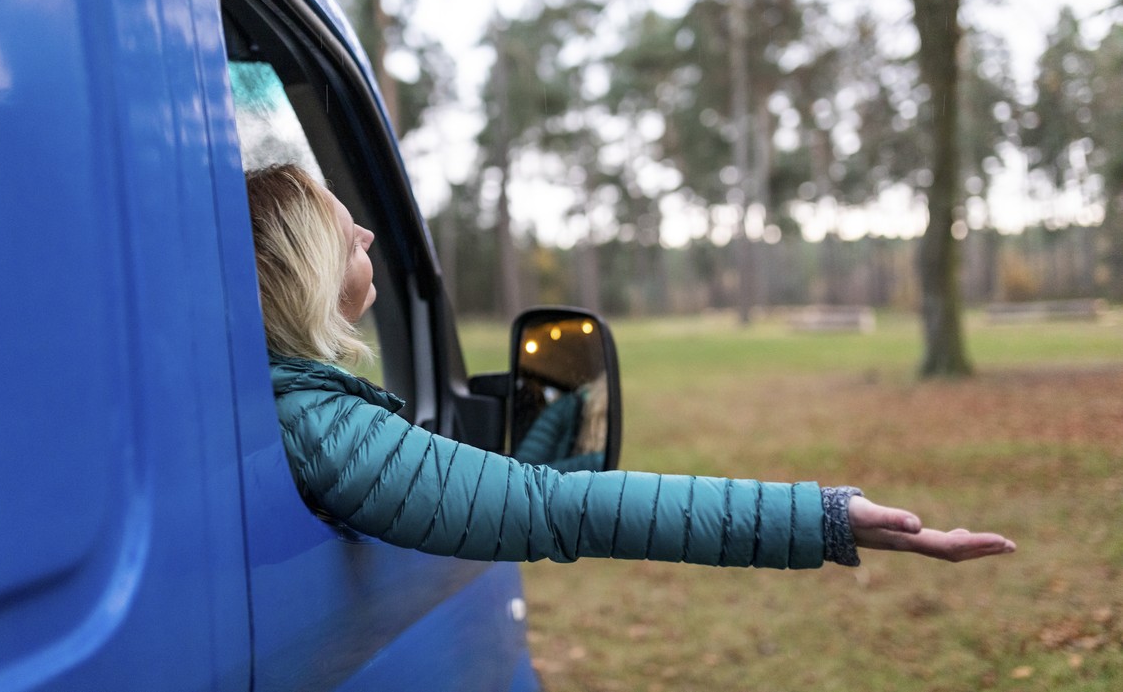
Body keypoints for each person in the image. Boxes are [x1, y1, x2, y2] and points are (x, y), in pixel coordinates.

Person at [245, 163, 1016, 569]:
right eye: (349, 234)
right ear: (308, 270)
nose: (372, 236)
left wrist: (553, 418)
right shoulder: (319, 422)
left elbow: (509, 489)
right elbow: (556, 508)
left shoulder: (290, 404)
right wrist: (822, 518)